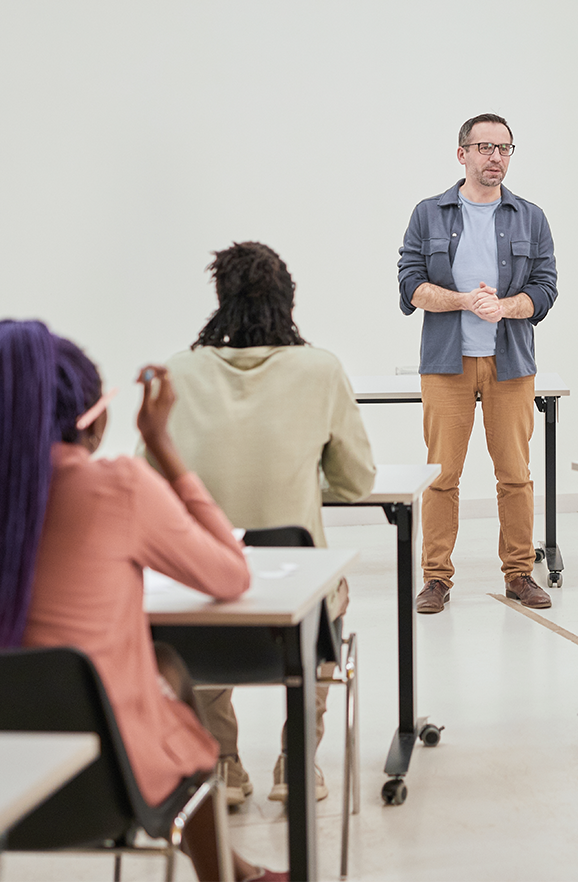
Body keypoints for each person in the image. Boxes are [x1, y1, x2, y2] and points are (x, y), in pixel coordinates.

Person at [0, 320, 286, 882]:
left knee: (162, 668)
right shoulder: (120, 490)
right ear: (94, 416)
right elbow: (230, 574)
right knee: (163, 676)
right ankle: (227, 876)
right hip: (94, 786)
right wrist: (163, 444)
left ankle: (235, 870)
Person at [161, 241, 377, 806]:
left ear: (220, 300)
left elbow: (147, 479)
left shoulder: (178, 372)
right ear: (288, 301)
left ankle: (223, 762)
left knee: (198, 597)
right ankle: (297, 763)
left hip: (203, 605)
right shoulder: (320, 369)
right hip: (294, 598)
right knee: (333, 596)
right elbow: (357, 483)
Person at [396, 113, 558, 613]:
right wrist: (465, 301)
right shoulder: (429, 213)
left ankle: (518, 575)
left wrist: (504, 307)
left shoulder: (530, 216)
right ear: (462, 153)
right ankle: (436, 579)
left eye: (505, 148)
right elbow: (410, 284)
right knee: (442, 476)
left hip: (511, 364)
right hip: (447, 364)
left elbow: (546, 290)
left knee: (515, 474)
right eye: (486, 147)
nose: (496, 157)